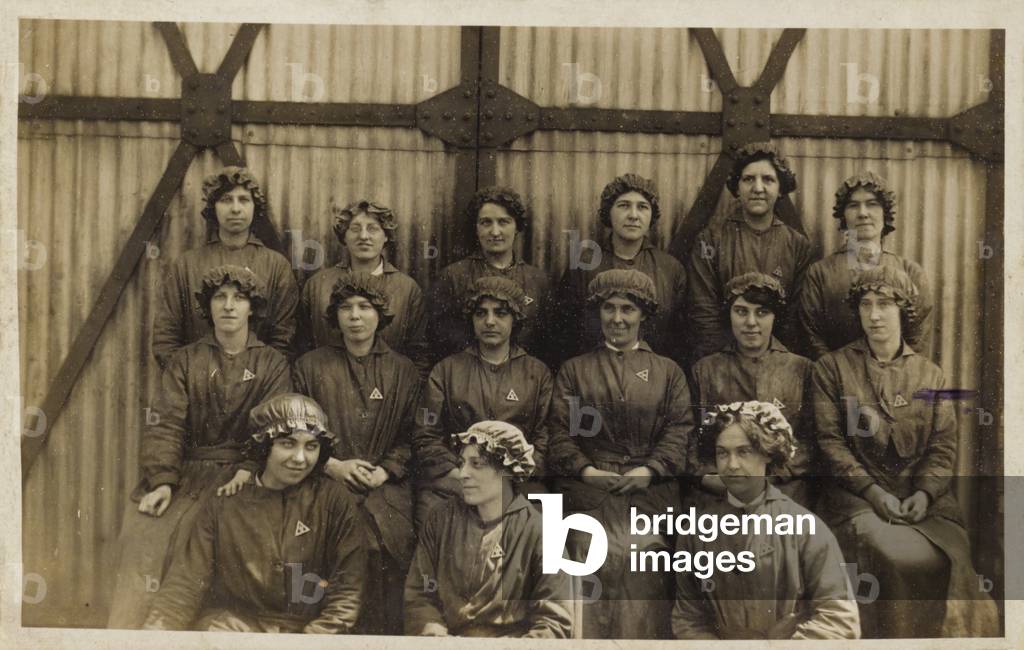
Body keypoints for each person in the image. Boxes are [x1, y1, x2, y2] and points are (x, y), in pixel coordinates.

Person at [812, 265, 998, 637]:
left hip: (922, 502)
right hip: (856, 499)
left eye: (884, 304)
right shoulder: (832, 368)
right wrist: (874, 493)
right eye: (865, 304)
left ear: (904, 310)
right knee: (894, 556)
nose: (874, 314)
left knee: (953, 560)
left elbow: (943, 448)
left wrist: (925, 493)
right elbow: (830, 443)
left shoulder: (931, 376)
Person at [108, 265, 291, 628]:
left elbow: (273, 427)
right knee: (145, 534)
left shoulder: (272, 363)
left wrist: (248, 467)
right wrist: (162, 480)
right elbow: (166, 422)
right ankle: (131, 635)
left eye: (238, 298)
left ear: (251, 308)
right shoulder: (185, 360)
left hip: (243, 474)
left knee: (215, 538)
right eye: (219, 297)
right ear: (208, 307)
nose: (228, 306)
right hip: (188, 475)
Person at [546, 269, 694, 639]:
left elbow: (680, 430)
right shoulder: (575, 371)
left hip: (648, 493)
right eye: (609, 309)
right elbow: (560, 434)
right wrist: (585, 470)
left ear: (643, 314)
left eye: (627, 309)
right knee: (586, 549)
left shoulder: (668, 372)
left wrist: (651, 469)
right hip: (589, 492)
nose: (617, 319)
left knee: (641, 557)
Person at [143, 393, 367, 633]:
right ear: (264, 447)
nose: (300, 458)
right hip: (233, 632)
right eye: (287, 444)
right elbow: (185, 584)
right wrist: (155, 635)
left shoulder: (334, 500)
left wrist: (312, 640)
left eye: (311, 446)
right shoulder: (225, 502)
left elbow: (347, 591)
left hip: (310, 635)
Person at [293, 272, 420, 634]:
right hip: (326, 480)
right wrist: (331, 464)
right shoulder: (310, 366)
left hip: (386, 486)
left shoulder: (403, 371)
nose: (355, 316)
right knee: (324, 546)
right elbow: (295, 428)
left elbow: (415, 435)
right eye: (346, 308)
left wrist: (386, 471)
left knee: (386, 548)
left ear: (380, 314)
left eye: (365, 307)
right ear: (334, 316)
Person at [672, 401, 860, 640]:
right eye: (722, 453)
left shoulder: (805, 528)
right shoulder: (696, 532)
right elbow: (688, 618)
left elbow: (838, 619)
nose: (732, 465)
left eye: (744, 451)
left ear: (767, 454)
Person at [404, 420, 573, 638]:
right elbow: (419, 594)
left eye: (476, 464)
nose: (463, 473)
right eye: (462, 462)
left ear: (507, 470)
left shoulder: (542, 532)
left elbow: (554, 622)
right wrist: (432, 629)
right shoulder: (441, 520)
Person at [414, 276, 552, 529]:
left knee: (543, 532)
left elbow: (543, 438)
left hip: (517, 483)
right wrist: (462, 474)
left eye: (500, 313)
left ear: (515, 318)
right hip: (455, 480)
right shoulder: (447, 370)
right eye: (481, 313)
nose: (490, 321)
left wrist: (509, 477)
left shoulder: (537, 373)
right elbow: (426, 436)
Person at [688, 272, 815, 508]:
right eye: (741, 311)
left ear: (775, 317)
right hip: (721, 490)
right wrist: (710, 477)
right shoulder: (705, 371)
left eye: (762, 312)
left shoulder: (802, 369)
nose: (751, 322)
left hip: (784, 488)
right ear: (729, 315)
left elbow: (811, 442)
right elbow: (692, 440)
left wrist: (771, 477)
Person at [152, 166, 299, 367]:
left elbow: (284, 338)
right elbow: (166, 337)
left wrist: (260, 379)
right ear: (213, 206)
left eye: (244, 200)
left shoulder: (276, 266)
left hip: (259, 385)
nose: (236, 209)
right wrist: (189, 380)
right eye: (226, 200)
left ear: (255, 206)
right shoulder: (186, 265)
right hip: (197, 382)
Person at [687, 143, 813, 362]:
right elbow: (703, 312)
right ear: (737, 186)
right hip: (723, 362)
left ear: (780, 188)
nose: (758, 188)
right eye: (748, 179)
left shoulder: (798, 246)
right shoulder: (711, 240)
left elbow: (796, 318)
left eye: (768, 179)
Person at [549, 173, 687, 367]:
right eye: (623, 205)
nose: (633, 215)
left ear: (652, 215)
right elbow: (564, 333)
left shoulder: (671, 269)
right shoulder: (584, 264)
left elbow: (679, 337)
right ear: (608, 211)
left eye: (642, 207)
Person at [798, 171, 933, 359]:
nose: (862, 213)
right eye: (853, 206)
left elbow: (917, 338)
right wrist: (836, 374)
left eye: (872, 204)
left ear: (886, 213)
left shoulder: (911, 272)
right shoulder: (820, 273)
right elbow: (811, 336)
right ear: (843, 215)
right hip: (836, 381)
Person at [297, 199, 429, 375]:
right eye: (355, 228)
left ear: (387, 235)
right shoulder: (318, 285)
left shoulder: (407, 289)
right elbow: (300, 347)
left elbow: (419, 356)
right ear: (344, 235)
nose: (364, 236)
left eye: (373, 228)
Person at [427, 186, 552, 362]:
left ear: (517, 227)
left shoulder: (538, 281)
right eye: (486, 222)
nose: (495, 232)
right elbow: (440, 341)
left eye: (503, 222)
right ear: (476, 228)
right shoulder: (452, 277)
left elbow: (548, 344)